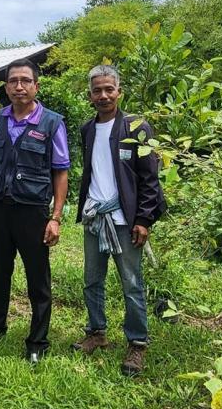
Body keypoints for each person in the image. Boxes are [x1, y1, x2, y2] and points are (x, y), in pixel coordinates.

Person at [70, 65, 166, 376]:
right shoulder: (87, 129)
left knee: (132, 282)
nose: (103, 95)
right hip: (96, 216)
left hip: (126, 220)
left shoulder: (136, 127)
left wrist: (144, 219)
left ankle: (137, 344)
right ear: (89, 95)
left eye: (109, 89)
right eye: (97, 90)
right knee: (92, 280)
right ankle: (96, 333)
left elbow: (150, 178)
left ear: (119, 92)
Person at [0, 59, 69, 364]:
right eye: (13, 81)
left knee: (37, 279)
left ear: (36, 86)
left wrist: (55, 217)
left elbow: (61, 171)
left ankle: (37, 342)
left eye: (25, 80)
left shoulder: (52, 122)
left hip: (33, 212)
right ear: (6, 86)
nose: (18, 86)